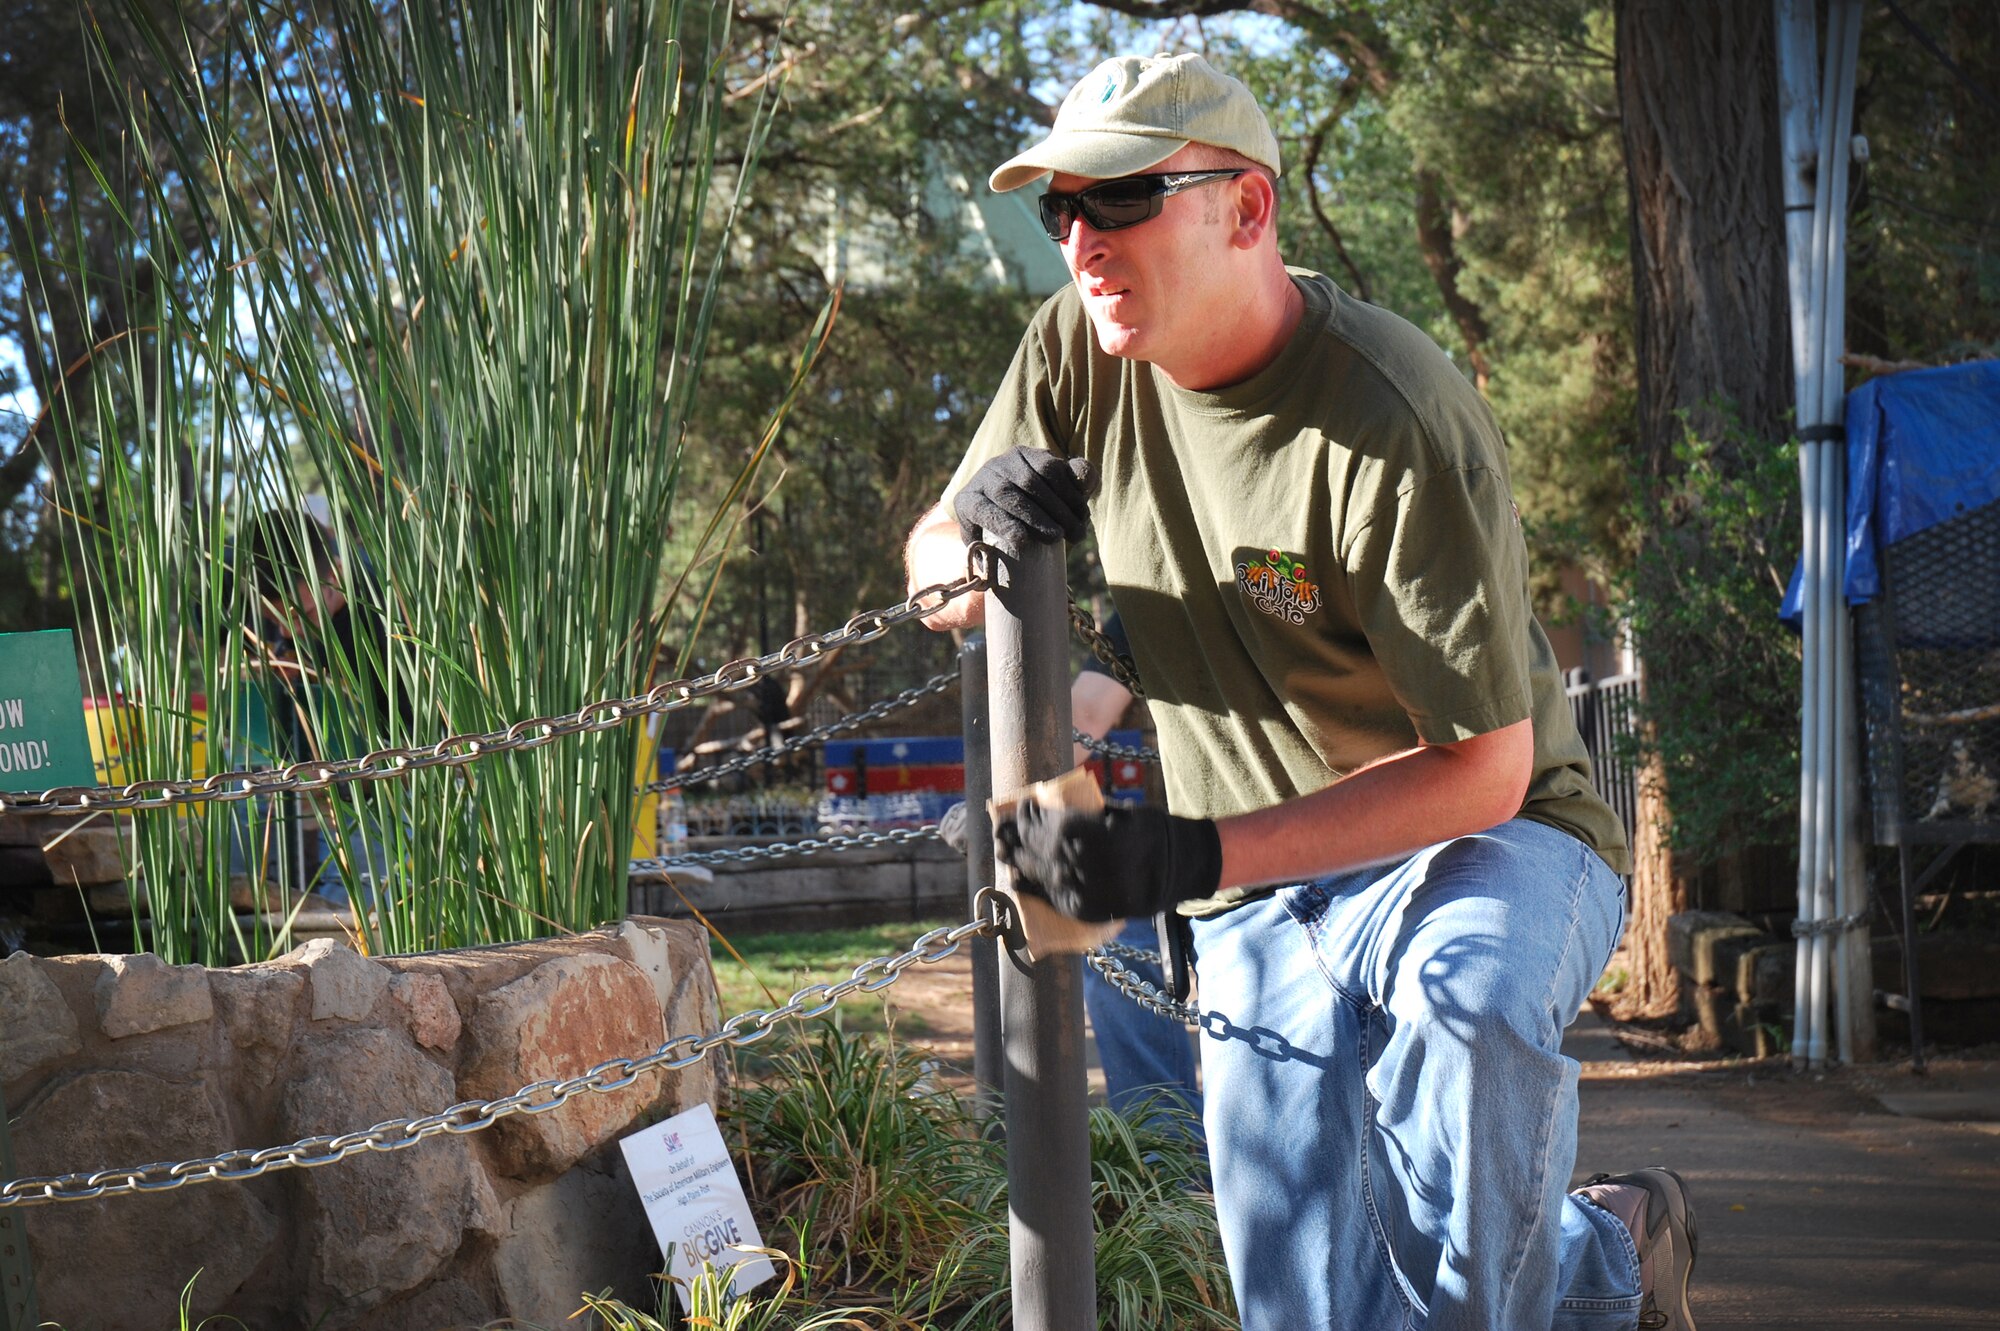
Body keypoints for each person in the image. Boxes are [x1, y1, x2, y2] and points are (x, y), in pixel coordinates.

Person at [903, 52, 1696, 1331]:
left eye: (1118, 199)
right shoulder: (1076, 347)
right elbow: (935, 567)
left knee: (1469, 1010)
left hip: (1490, 836)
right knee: (1313, 1299)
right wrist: (972, 548)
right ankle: (1610, 1248)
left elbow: (1482, 767)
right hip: (1257, 882)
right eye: (1058, 209)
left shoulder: (1393, 415)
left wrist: (1191, 850)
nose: (1079, 241)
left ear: (1247, 208)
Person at [1067, 612, 1205, 1137]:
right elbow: (1085, 710)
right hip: (1182, 840)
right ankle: (1166, 1167)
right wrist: (1001, 791)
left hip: (1311, 832)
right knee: (1115, 938)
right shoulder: (1158, 588)